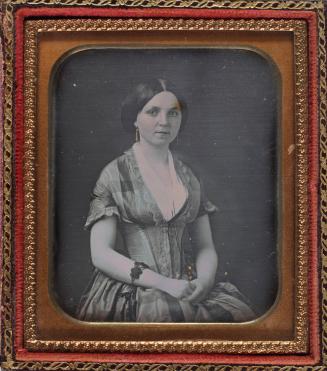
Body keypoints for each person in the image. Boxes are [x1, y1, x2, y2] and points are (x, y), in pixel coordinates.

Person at [76, 79, 255, 322]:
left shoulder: (189, 176)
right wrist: (164, 283)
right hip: (134, 293)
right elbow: (100, 254)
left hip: (187, 286)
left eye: (173, 113)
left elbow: (205, 246)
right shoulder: (114, 174)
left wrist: (204, 280)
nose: (164, 121)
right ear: (134, 118)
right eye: (153, 112)